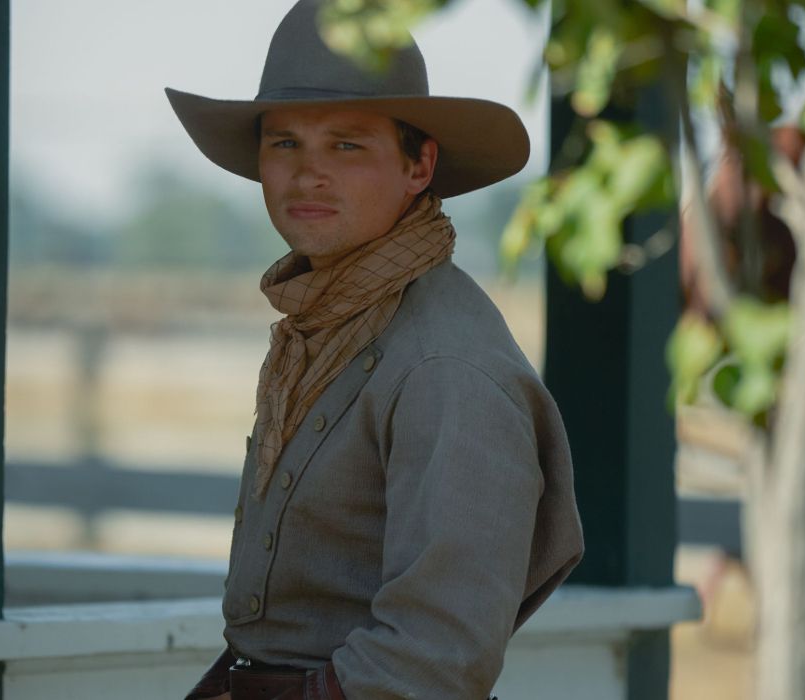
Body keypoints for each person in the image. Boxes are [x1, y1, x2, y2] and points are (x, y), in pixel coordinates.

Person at [166, 1, 583, 697]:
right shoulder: (323, 328)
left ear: (420, 166)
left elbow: (438, 658)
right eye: (285, 143)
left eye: (347, 145)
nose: (307, 174)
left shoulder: (443, 365)